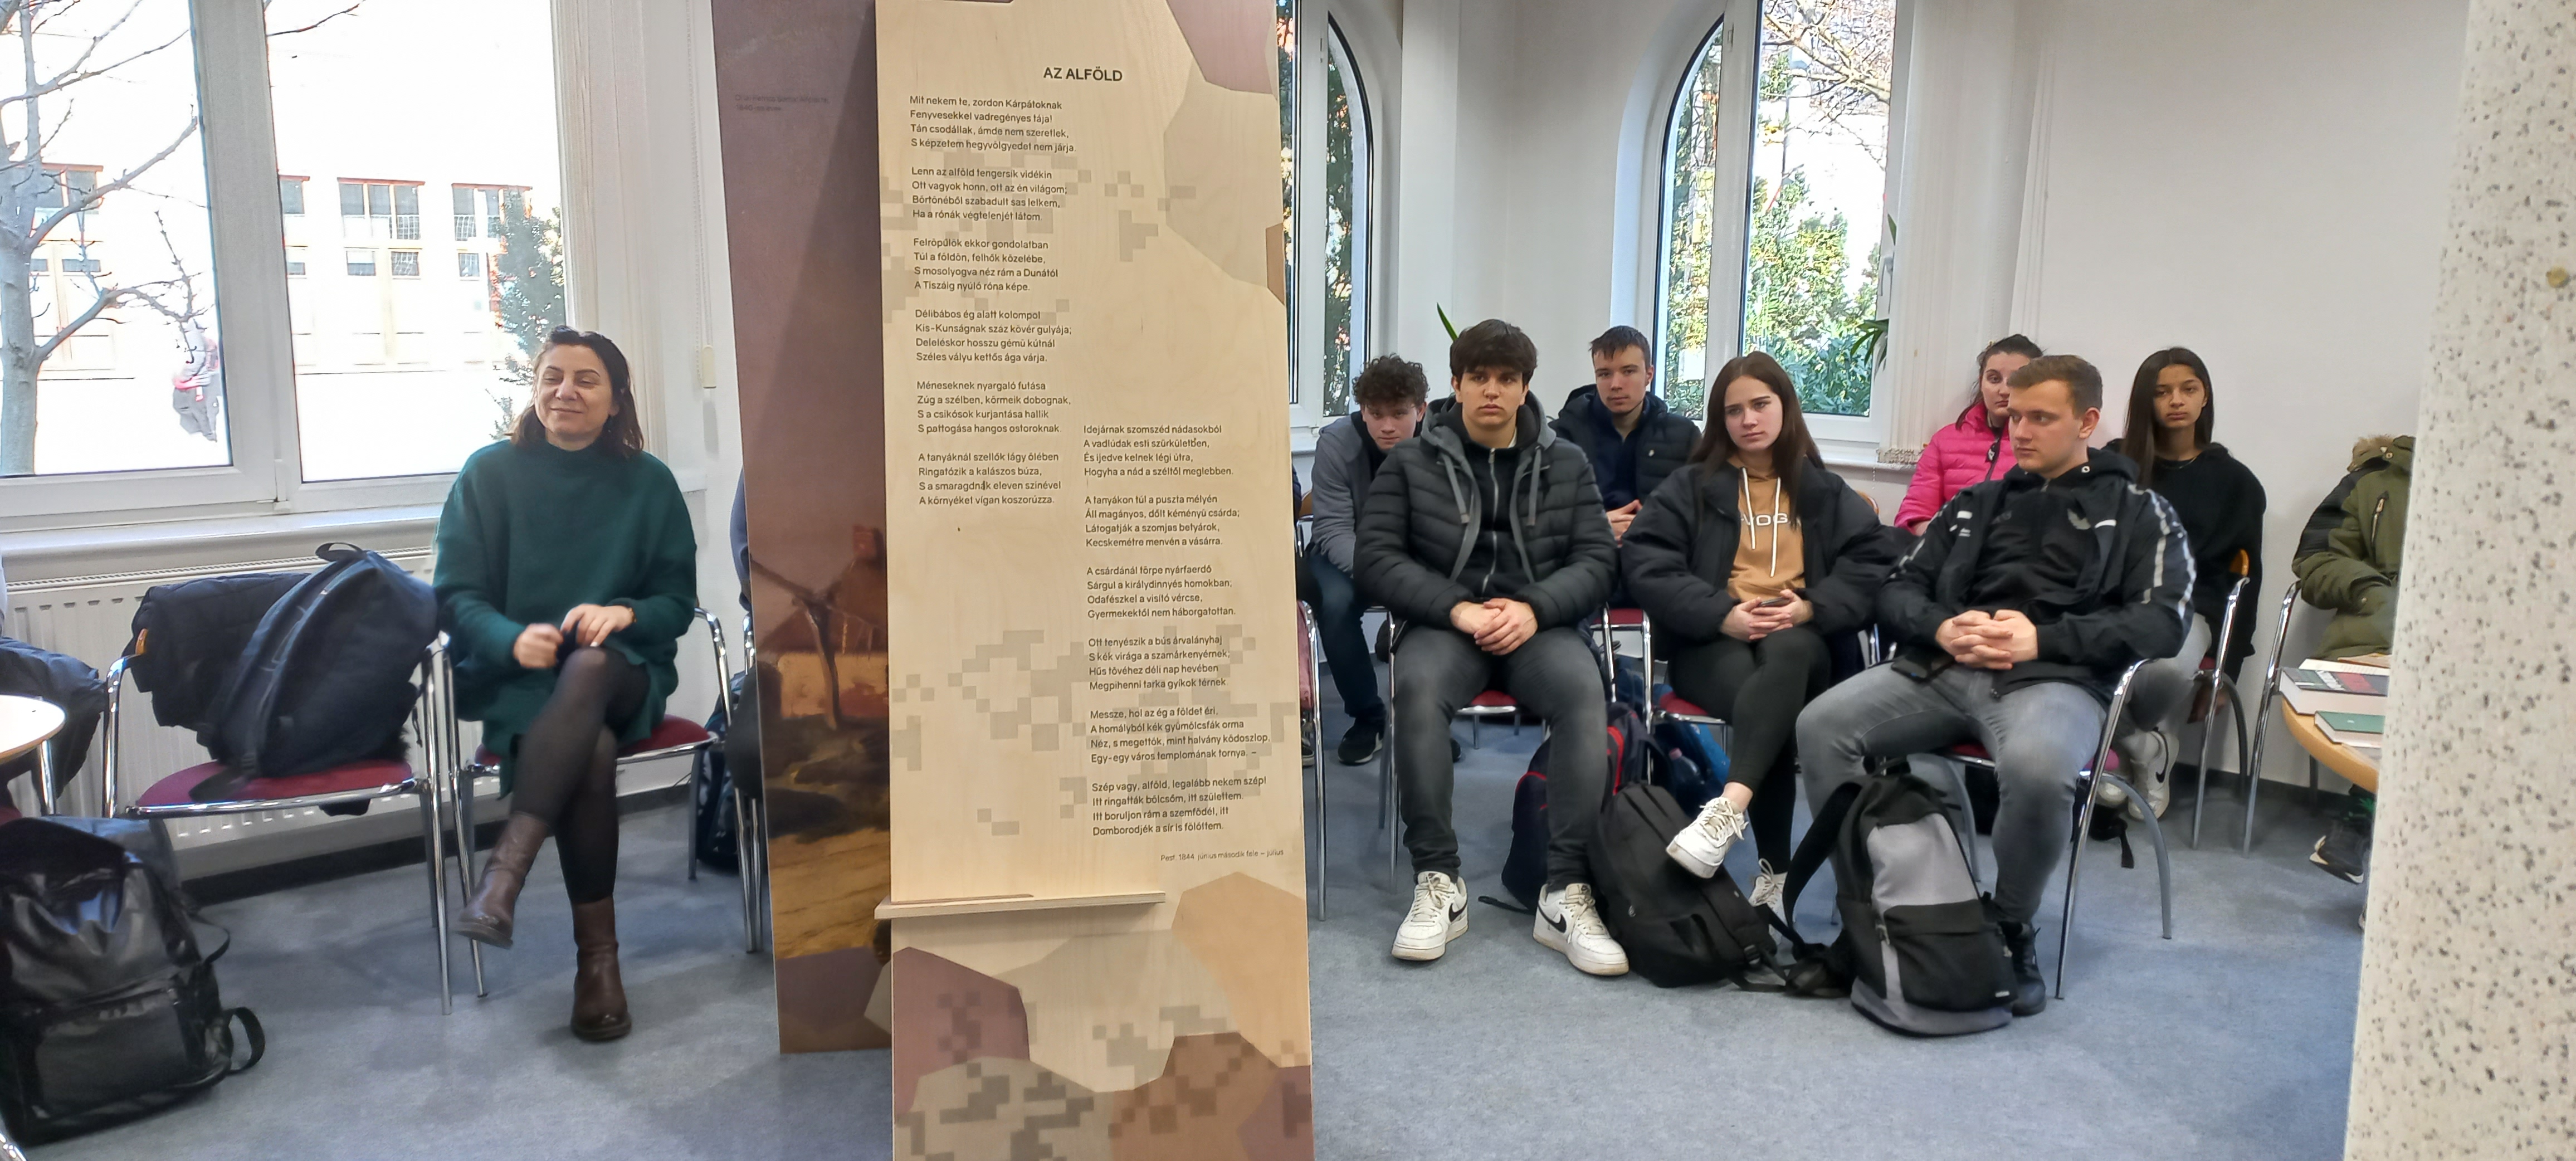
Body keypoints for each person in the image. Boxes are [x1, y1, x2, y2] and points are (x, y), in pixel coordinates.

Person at [1796, 354, 2192, 1016]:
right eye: (2015, 417)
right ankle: (1872, 910)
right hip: (1944, 670)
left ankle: (2009, 923)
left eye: (2042, 418)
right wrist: (1942, 626)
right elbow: (1896, 588)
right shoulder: (1976, 503)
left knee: (2038, 768)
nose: (2022, 431)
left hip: (2055, 680)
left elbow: (2164, 621)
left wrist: (2045, 638)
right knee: (1821, 725)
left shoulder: (2141, 512)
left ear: (2087, 422)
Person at [437, 328, 699, 1042]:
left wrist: (627, 613)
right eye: (552, 376)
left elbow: (677, 601)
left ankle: (505, 875)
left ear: (616, 401)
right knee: (591, 751)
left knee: (590, 665)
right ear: (534, 390)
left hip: (625, 671)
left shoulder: (649, 482)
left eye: (586, 379)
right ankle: (598, 964)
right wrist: (507, 637)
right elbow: (456, 597)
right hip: (523, 680)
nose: (565, 391)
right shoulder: (488, 474)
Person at [1354, 319, 1626, 976]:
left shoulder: (1567, 462)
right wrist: (1457, 607)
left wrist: (1535, 608)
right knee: (1416, 687)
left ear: (1525, 387)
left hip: (1538, 627)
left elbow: (1597, 561)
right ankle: (1438, 881)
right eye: (1478, 377)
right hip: (1447, 626)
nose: (1492, 391)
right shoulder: (1411, 462)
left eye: (1506, 379)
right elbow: (1375, 559)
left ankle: (1565, 890)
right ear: (1456, 384)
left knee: (1583, 688)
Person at [1621, 352, 1896, 918]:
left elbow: (1875, 562)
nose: (1748, 419)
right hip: (1712, 641)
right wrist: (1721, 613)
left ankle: (1728, 810)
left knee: (1789, 655)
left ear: (1785, 407)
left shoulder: (1821, 489)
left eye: (1760, 405)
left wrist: (1811, 607)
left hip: (1800, 638)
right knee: (1770, 710)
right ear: (1720, 420)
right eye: (1734, 410)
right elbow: (1647, 562)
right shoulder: (1691, 487)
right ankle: (1776, 873)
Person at [2099, 348, 2267, 818]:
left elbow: (2247, 581)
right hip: (2114, 602)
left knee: (2168, 671)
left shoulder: (2235, 482)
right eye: (2162, 392)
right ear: (2144, 401)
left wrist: (2227, 670)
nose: (2177, 401)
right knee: (2072, 658)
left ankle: (2122, 746)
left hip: (2187, 608)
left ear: (2204, 397)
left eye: (2188, 389)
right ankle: (2147, 748)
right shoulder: (2115, 464)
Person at [2290, 434, 2409, 883]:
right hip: (2378, 641)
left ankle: (2367, 819)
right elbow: (2314, 559)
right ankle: (2363, 813)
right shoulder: (2376, 477)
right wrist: (2372, 590)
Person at [1305, 356, 1428, 764]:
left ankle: (1424, 721)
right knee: (1335, 605)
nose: (1387, 426)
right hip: (1345, 554)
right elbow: (1333, 530)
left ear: (1421, 410)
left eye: (1399, 414)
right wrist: (1386, 575)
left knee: (1436, 600)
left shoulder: (1441, 444)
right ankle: (1368, 718)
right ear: (1362, 410)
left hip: (1414, 554)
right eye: (1376, 414)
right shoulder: (1337, 443)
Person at [1550, 326, 1699, 543]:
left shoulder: (1684, 436)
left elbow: (1701, 514)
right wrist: (1595, 527)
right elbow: (1543, 519)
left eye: (1628, 371)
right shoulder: (1562, 436)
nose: (1616, 385)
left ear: (1649, 375)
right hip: (1587, 551)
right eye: (1605, 374)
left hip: (1659, 552)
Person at [1894, 335, 2045, 534]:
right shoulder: (1945, 441)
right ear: (1981, 382)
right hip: (1946, 546)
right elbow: (1913, 515)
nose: (2004, 390)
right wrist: (1948, 541)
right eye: (1994, 379)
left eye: (2017, 380)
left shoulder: (2047, 444)